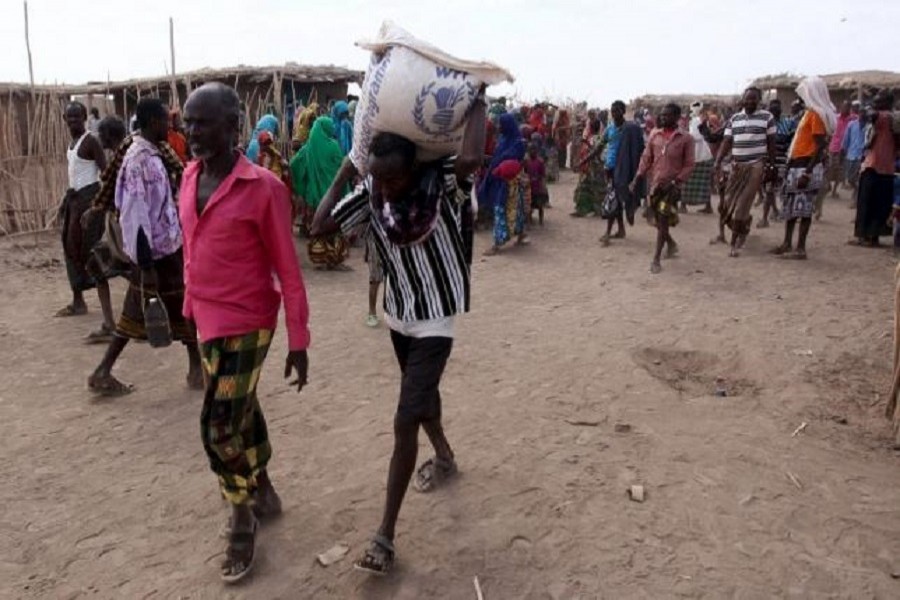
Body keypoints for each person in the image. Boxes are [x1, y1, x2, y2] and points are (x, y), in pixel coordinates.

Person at [311, 87, 484, 576]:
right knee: (419, 395)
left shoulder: (441, 181)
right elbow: (321, 225)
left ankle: (384, 535)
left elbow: (470, 155)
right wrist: (351, 167)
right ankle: (446, 456)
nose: (385, 188)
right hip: (399, 314)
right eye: (378, 178)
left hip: (436, 318)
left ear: (414, 167)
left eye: (392, 178)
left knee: (405, 416)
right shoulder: (373, 190)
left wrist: (479, 98)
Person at [179, 83, 311, 584]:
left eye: (203, 122)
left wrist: (299, 340)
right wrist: (190, 306)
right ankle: (266, 488)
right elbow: (192, 249)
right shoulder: (189, 177)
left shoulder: (264, 188)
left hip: (251, 321)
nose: (193, 131)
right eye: (189, 122)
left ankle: (241, 514)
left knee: (217, 423)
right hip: (208, 318)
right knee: (241, 407)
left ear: (234, 126)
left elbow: (288, 269)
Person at [86, 98, 201, 396]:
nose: (170, 124)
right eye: (165, 120)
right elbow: (136, 216)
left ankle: (196, 367)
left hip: (166, 247)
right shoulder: (139, 161)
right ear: (152, 123)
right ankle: (103, 371)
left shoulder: (153, 154)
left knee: (176, 306)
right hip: (155, 254)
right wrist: (146, 265)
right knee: (151, 310)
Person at [769, 76, 834, 259]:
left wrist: (808, 171)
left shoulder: (816, 115)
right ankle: (787, 243)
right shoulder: (809, 113)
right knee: (791, 208)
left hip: (806, 166)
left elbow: (820, 146)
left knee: (804, 209)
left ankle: (800, 248)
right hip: (796, 164)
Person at [80, 116, 129, 343]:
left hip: (124, 226)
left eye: (102, 134)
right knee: (98, 265)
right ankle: (110, 324)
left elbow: (113, 192)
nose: (100, 138)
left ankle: (142, 322)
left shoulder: (125, 157)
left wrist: (95, 210)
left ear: (109, 135)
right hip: (117, 224)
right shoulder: (122, 155)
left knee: (138, 273)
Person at [631, 103, 695, 274]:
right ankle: (671, 244)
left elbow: (689, 165)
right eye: (663, 115)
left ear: (677, 117)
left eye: (668, 115)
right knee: (656, 219)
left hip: (672, 187)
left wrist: (677, 182)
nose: (664, 118)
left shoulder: (686, 138)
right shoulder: (655, 135)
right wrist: (637, 177)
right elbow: (646, 158)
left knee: (663, 217)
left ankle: (656, 258)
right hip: (655, 185)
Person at [57, 101, 106, 318]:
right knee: (70, 248)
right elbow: (73, 177)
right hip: (74, 201)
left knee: (89, 250)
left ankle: (107, 286)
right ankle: (78, 301)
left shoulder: (91, 141)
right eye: (70, 117)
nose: (73, 121)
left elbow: (106, 171)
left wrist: (101, 204)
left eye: (77, 117)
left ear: (85, 117)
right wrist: (64, 203)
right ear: (64, 119)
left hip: (89, 200)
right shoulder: (72, 144)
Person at [713, 87, 776, 257]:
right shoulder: (734, 119)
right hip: (737, 166)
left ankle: (734, 244)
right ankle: (745, 224)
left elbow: (771, 144)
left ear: (759, 100)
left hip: (756, 165)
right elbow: (726, 142)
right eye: (747, 99)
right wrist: (718, 161)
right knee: (726, 204)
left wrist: (771, 166)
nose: (750, 102)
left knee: (741, 205)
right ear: (742, 100)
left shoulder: (767, 118)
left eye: (753, 99)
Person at [290, 117, 350, 269]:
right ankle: (335, 259)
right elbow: (342, 168)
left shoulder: (307, 148)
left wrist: (302, 185)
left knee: (318, 227)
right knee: (334, 226)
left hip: (315, 196)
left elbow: (294, 164)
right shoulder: (334, 146)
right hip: (333, 197)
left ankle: (321, 257)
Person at [852, 90, 898, 247]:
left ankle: (866, 236)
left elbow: (866, 115)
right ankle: (872, 236)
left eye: (879, 100)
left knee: (867, 202)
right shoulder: (893, 117)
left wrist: (868, 103)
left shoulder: (884, 116)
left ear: (886, 102)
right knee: (880, 204)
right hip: (886, 166)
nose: (876, 103)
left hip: (874, 164)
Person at [478, 113, 527, 253]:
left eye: (501, 124)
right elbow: (497, 157)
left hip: (508, 182)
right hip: (497, 178)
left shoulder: (518, 143)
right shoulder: (503, 139)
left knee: (501, 209)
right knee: (515, 208)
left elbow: (511, 161)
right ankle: (521, 234)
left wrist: (497, 163)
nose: (499, 126)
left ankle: (497, 244)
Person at [758, 98, 797, 228]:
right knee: (770, 189)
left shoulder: (789, 123)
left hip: (782, 162)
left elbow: (793, 142)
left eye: (777, 108)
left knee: (772, 189)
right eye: (772, 108)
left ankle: (766, 217)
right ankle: (773, 212)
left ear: (781, 110)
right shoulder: (764, 124)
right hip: (768, 161)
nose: (774, 110)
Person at [682, 101, 715, 213]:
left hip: (697, 153)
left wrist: (686, 137)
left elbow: (696, 136)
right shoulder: (698, 120)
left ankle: (683, 205)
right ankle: (707, 206)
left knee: (686, 180)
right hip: (702, 153)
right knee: (704, 182)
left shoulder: (697, 120)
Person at [571, 119, 605, 217]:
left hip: (591, 167)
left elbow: (592, 153)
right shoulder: (601, 138)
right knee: (598, 189)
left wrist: (581, 163)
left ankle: (583, 210)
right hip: (599, 167)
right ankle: (597, 210)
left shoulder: (592, 139)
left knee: (584, 188)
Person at [827, 101, 856, 198]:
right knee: (830, 168)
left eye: (847, 107)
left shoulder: (853, 119)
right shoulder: (836, 118)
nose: (844, 109)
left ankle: (834, 190)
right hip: (833, 147)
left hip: (844, 149)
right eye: (843, 107)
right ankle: (829, 186)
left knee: (840, 171)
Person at [841, 101, 865, 206]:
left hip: (862, 156)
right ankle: (857, 191)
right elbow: (846, 139)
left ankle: (856, 198)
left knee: (859, 177)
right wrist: (843, 150)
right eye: (861, 113)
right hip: (851, 154)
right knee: (850, 179)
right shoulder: (851, 124)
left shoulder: (868, 126)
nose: (862, 115)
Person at [524, 142, 548, 226]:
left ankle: (541, 221)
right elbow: (524, 172)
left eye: (534, 150)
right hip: (529, 186)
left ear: (537, 151)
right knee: (529, 205)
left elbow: (543, 175)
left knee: (540, 205)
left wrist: (543, 186)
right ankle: (529, 222)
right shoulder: (526, 161)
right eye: (530, 150)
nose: (532, 151)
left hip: (538, 187)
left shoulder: (540, 162)